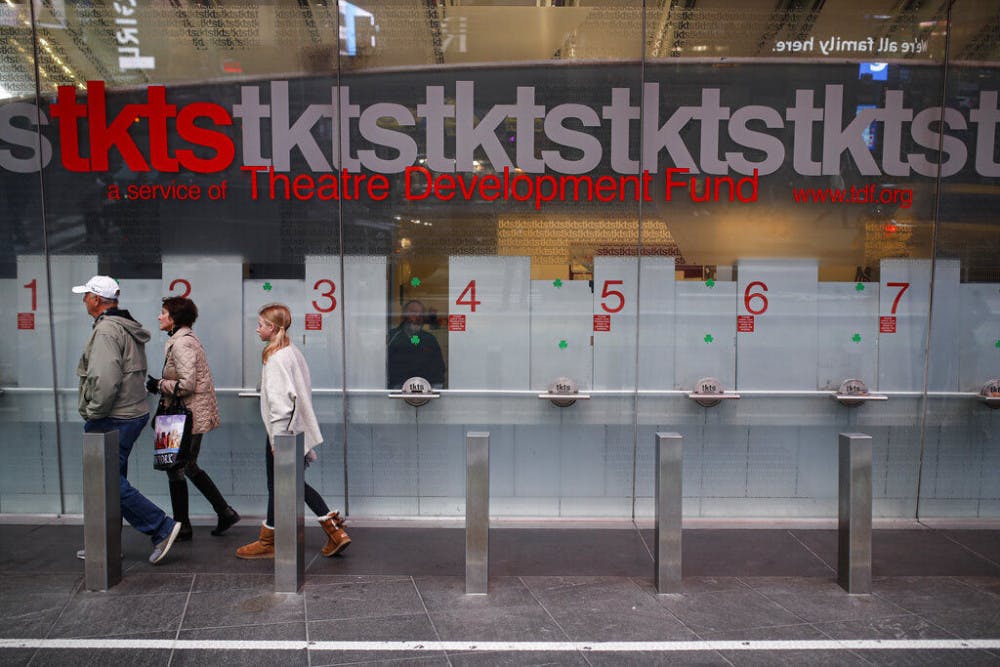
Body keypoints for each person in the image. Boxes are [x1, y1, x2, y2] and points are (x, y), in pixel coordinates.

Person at [72, 275, 181, 564]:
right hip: (131, 412)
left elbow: (104, 379)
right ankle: (105, 544)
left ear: (96, 299)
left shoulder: (107, 330)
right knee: (111, 479)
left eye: (86, 295)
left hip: (113, 415)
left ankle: (161, 526)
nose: (83, 300)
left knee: (106, 481)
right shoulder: (123, 325)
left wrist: (94, 411)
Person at [236, 303, 350, 560]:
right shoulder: (291, 352)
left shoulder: (275, 357)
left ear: (273, 327)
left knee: (286, 483)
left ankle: (325, 533)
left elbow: (281, 403)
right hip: (293, 429)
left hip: (283, 432)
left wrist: (278, 439)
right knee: (284, 484)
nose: (257, 329)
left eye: (261, 324)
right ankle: (283, 536)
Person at [146, 296, 240, 540]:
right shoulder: (185, 340)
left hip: (185, 416)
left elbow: (187, 384)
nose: (159, 316)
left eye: (163, 312)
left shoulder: (181, 344)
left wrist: (159, 384)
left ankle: (185, 525)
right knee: (182, 466)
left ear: (174, 318)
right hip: (187, 414)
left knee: (178, 466)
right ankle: (219, 513)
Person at [386, 299, 446, 389]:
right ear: (403, 315)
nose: (418, 316)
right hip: (396, 392)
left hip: (425, 393)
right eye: (413, 312)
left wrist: (434, 391)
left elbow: (439, 370)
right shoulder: (392, 337)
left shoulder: (430, 339)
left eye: (421, 313)